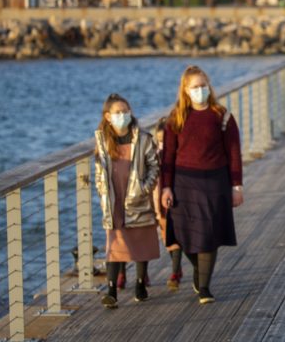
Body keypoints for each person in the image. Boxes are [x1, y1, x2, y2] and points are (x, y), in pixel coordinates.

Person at [160, 66, 244, 304]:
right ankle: (199, 270)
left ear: (210, 87)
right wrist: (166, 186)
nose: (200, 90)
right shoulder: (176, 118)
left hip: (215, 181)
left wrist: (236, 186)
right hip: (183, 182)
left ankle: (204, 287)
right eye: (195, 87)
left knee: (209, 234)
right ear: (186, 90)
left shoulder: (222, 116)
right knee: (182, 232)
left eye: (203, 85)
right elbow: (167, 156)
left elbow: (234, 153)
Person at [94, 93, 160, 308]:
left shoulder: (143, 139)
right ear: (107, 116)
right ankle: (111, 291)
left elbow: (154, 166)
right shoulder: (103, 142)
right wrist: (103, 191)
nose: (123, 115)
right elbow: (98, 171)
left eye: (126, 111)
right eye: (118, 112)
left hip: (137, 196)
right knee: (114, 244)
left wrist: (144, 187)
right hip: (114, 199)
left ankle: (141, 283)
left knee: (141, 239)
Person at [151, 117, 184, 291]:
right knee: (166, 237)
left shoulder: (177, 155)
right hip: (158, 201)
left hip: (175, 198)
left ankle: (175, 272)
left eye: (166, 140)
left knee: (175, 236)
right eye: (160, 140)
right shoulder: (153, 155)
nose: (163, 144)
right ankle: (177, 269)